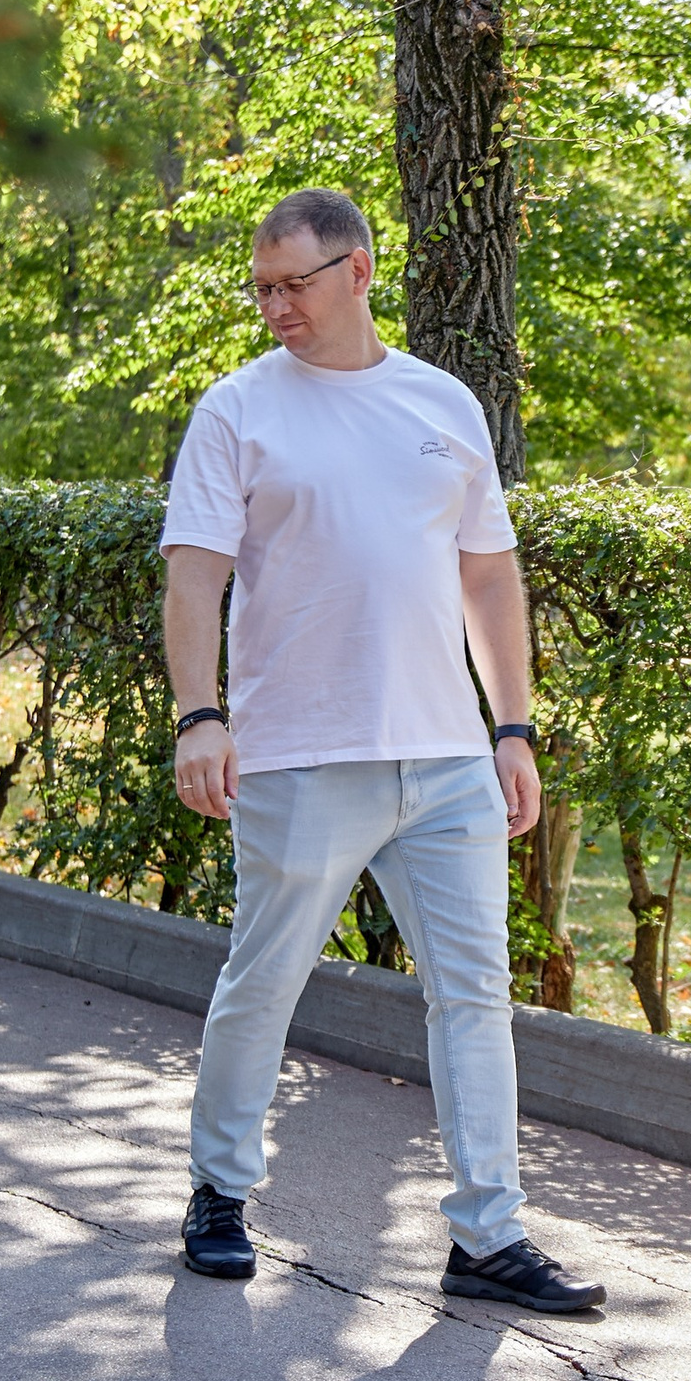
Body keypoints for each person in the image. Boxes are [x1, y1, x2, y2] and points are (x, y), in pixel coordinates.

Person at [159, 189, 604, 1316]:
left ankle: (488, 1233)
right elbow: (194, 573)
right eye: (260, 286)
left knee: (474, 997)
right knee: (264, 978)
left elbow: (488, 573)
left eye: (292, 283)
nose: (274, 306)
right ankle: (219, 1190)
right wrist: (198, 714)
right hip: (301, 750)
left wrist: (512, 724)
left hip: (446, 754)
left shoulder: (440, 401)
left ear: (356, 271)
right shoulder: (238, 409)